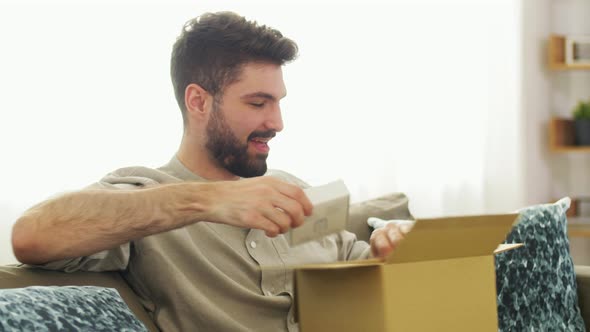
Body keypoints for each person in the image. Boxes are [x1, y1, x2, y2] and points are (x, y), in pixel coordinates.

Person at [11, 11, 405, 331]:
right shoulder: (149, 194)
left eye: (278, 102)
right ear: (199, 102)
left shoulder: (293, 189)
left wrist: (389, 248)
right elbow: (31, 235)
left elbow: (359, 263)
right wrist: (211, 199)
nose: (278, 121)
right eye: (257, 103)